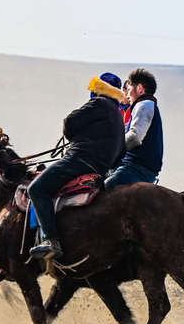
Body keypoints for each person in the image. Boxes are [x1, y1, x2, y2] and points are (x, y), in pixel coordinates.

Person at [29, 73, 126, 260]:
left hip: (78, 160)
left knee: (37, 189)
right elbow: (120, 155)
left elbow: (70, 122)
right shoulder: (118, 116)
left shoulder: (99, 103)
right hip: (99, 170)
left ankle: (50, 240)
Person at [105, 68, 163, 189]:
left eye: (129, 89)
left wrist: (110, 149)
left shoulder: (144, 104)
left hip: (135, 168)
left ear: (140, 88)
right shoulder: (145, 106)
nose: (127, 94)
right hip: (135, 167)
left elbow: (135, 137)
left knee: (101, 191)